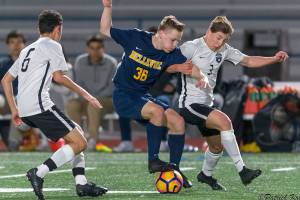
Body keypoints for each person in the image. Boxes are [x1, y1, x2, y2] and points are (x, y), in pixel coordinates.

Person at [100, 0, 209, 188]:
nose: (176, 44)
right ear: (160, 33)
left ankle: (174, 168)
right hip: (124, 95)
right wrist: (108, 7)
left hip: (142, 96)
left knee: (177, 121)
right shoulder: (136, 38)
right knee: (158, 111)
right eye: (173, 39)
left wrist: (203, 77)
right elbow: (105, 30)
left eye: (178, 41)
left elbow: (192, 68)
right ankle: (154, 161)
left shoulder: (170, 53)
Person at [1, 10, 107, 200]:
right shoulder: (53, 45)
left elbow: (6, 80)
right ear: (58, 29)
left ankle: (81, 184)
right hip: (40, 106)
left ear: (38, 28)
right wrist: (87, 95)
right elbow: (59, 77)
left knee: (76, 136)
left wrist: (15, 109)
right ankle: (39, 173)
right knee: (80, 142)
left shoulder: (27, 49)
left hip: (26, 109)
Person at [178, 16, 288, 191]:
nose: (219, 42)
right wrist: (195, 74)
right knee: (225, 122)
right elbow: (170, 63)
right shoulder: (191, 47)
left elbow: (249, 60)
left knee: (216, 147)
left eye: (223, 39)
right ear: (209, 31)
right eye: (217, 37)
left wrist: (274, 59)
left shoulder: (224, 49)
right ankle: (243, 171)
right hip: (189, 105)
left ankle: (205, 175)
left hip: (207, 104)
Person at [66, 34, 120, 152]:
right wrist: (89, 98)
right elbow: (78, 84)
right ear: (87, 49)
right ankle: (77, 138)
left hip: (106, 101)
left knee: (93, 105)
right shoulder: (80, 61)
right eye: (92, 48)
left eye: (98, 48)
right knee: (72, 104)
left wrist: (93, 99)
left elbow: (112, 87)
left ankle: (93, 140)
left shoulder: (112, 63)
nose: (95, 51)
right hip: (86, 99)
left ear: (103, 49)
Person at [0, 30, 26, 150]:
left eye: (19, 42)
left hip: (24, 101)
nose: (16, 45)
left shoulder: (32, 63)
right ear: (8, 44)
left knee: (19, 102)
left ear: (24, 44)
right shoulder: (2, 64)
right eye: (12, 42)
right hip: (5, 100)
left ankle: (13, 142)